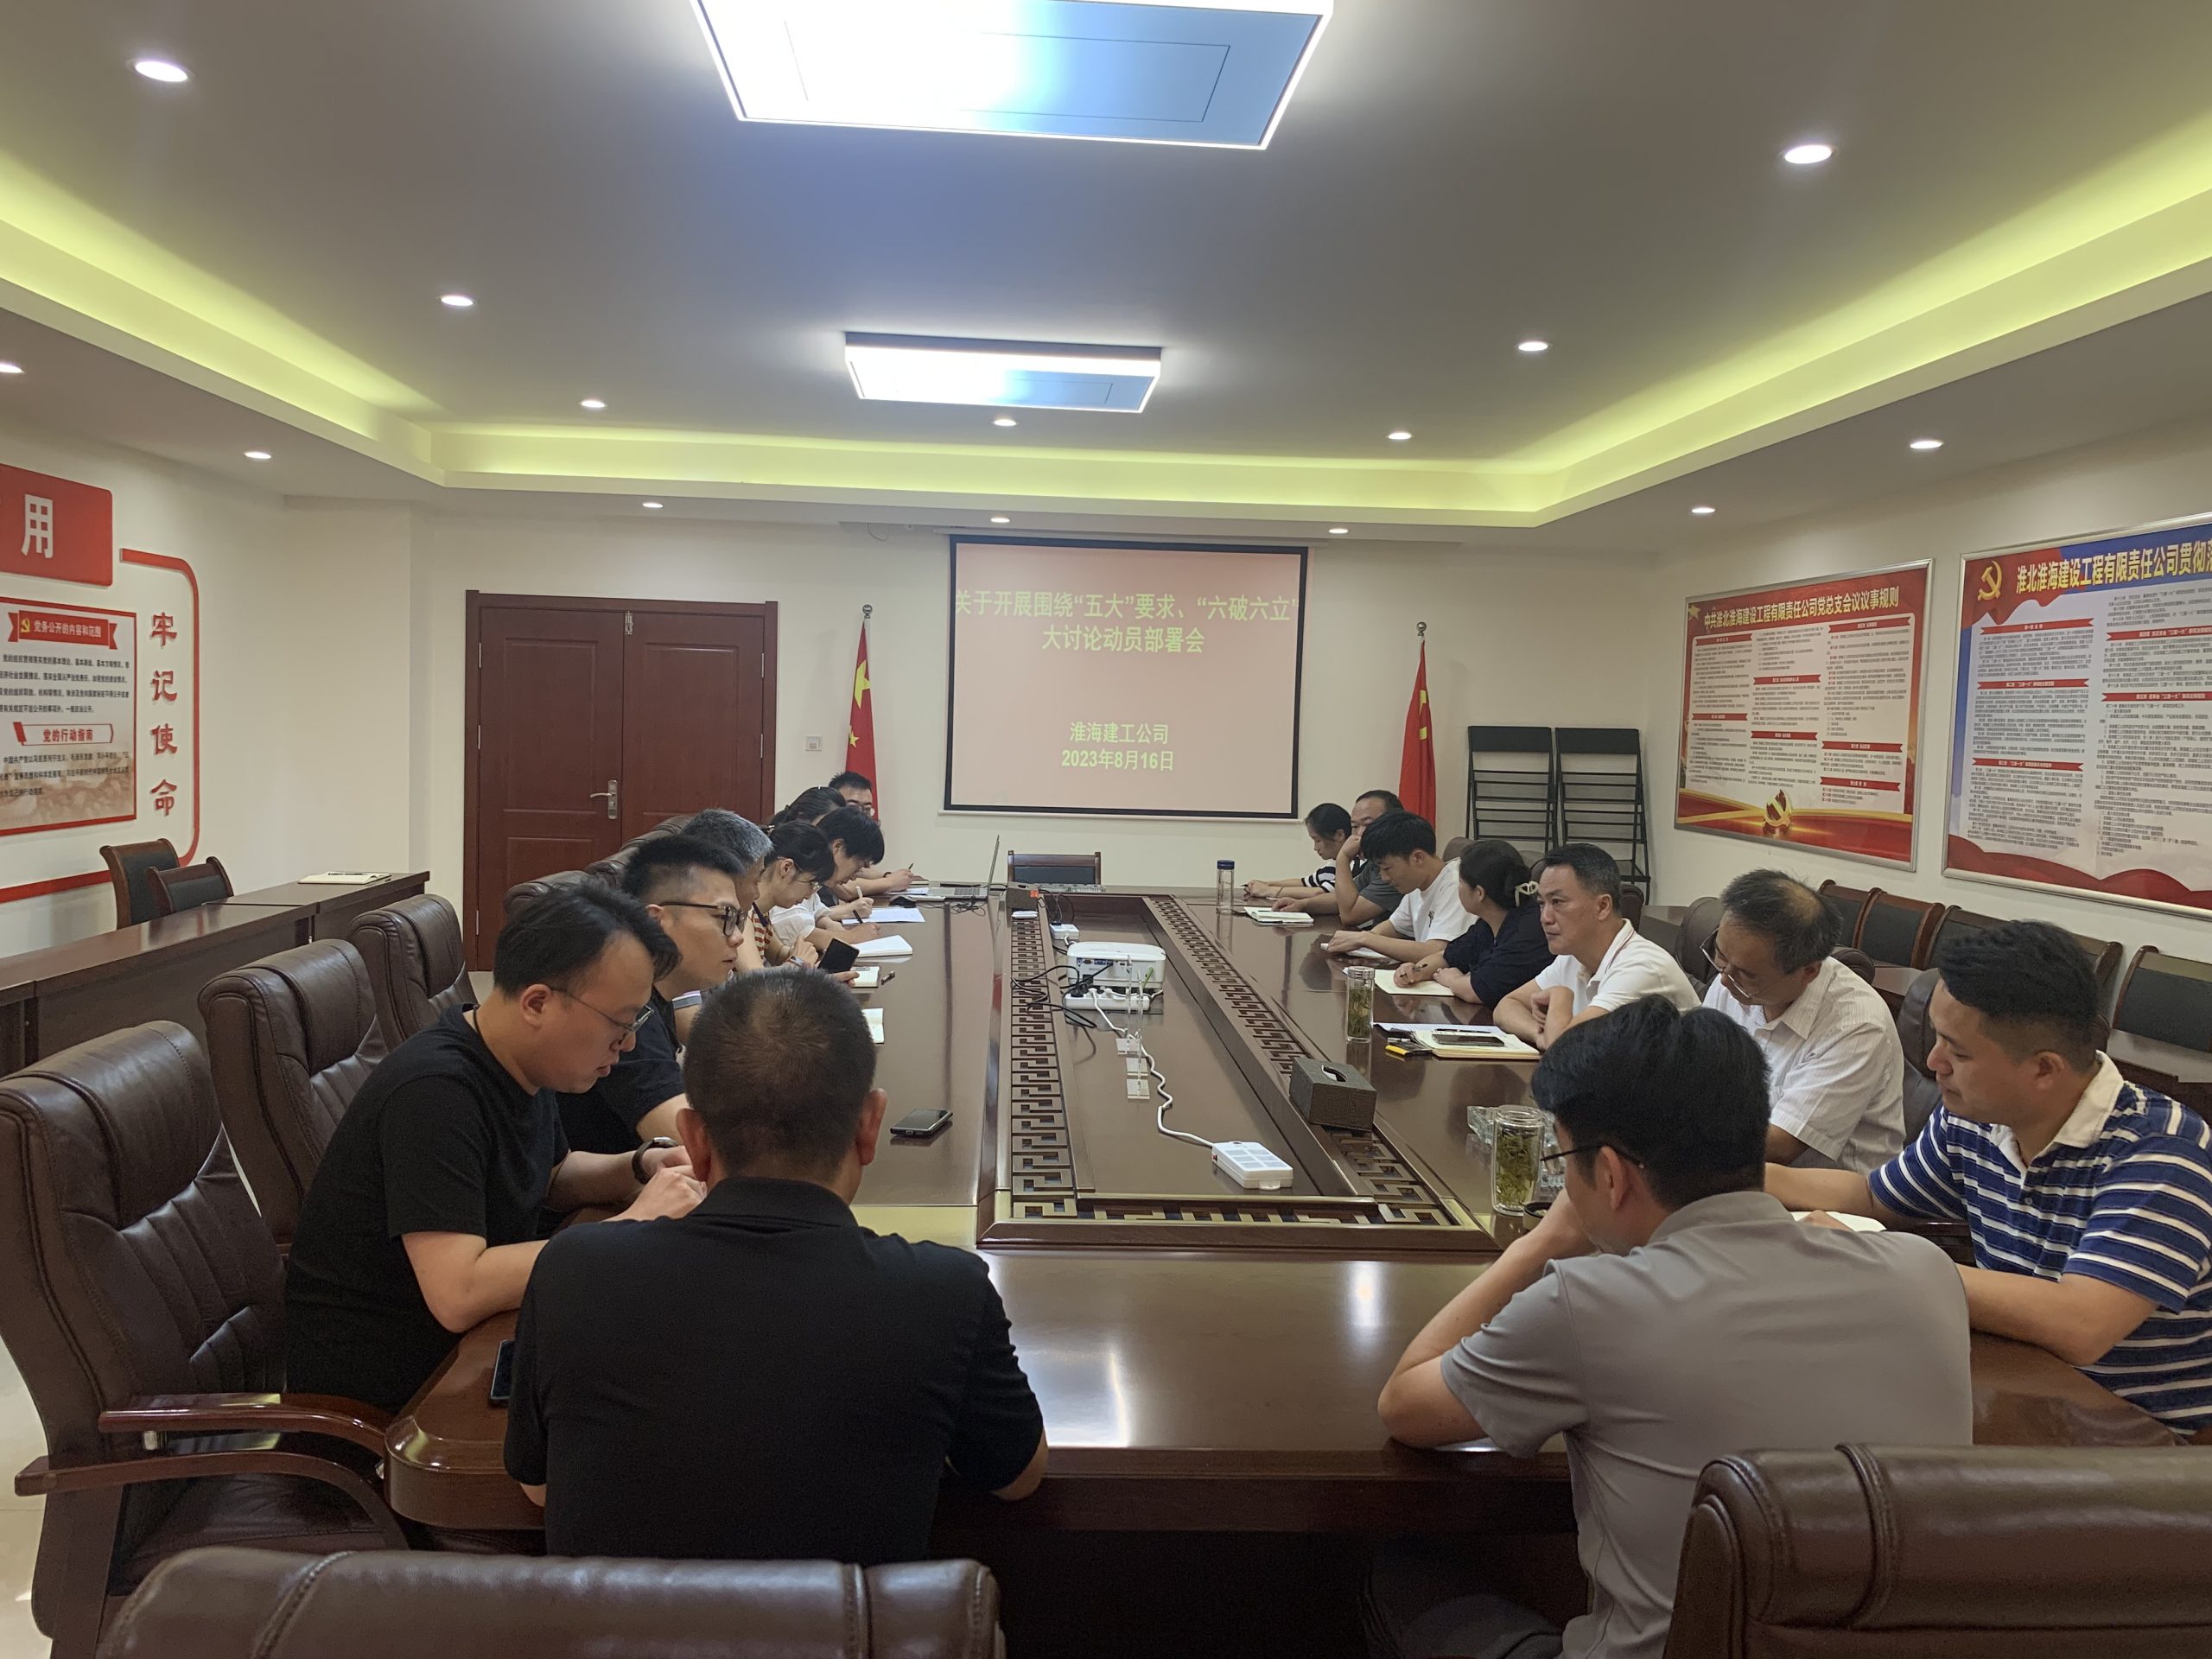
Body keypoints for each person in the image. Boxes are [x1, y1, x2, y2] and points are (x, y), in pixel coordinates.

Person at [1374, 997, 1972, 1659]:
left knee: (1394, 1571)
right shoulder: (1926, 1274)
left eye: (1564, 1160)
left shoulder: (1589, 1306)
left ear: (1610, 1176)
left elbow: (1405, 1406)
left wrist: (1537, 1245)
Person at [505, 967, 1049, 1563]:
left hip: (617, 1619)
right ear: (870, 1126)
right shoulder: (945, 1292)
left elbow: (539, 1487)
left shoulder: (572, 1270)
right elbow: (1016, 1478)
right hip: (851, 1618)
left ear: (694, 1139)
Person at [1767, 920, 2212, 1435]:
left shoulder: (2161, 1150)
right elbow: (1873, 1195)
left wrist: (1877, 1260)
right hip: (2022, 1382)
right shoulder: (1977, 1117)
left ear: (2044, 1069)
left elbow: (2082, 1323)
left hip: (2143, 1438)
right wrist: (1730, 1177)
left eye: (1957, 1052)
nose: (1933, 1062)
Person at [284, 884, 705, 1414]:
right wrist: (631, 1225)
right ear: (537, 1003)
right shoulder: (435, 1093)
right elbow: (458, 1292)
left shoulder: (518, 1059)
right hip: (396, 1401)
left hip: (470, 1352)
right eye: (621, 1023)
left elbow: (550, 1176)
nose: (628, 1044)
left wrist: (641, 1166)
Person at [556, 836, 750, 1155]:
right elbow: (697, 1147)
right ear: (656, 920)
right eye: (724, 917)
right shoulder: (622, 1008)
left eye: (738, 920)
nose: (738, 938)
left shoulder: (655, 995)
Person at [1701, 869, 1904, 1172]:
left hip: (1832, 1193)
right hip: (1736, 1170)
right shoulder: (1732, 978)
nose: (1725, 979)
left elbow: (1780, 1146)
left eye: (1747, 974)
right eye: (1720, 956)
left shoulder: (1857, 1026)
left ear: (1808, 971)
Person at [1495, 844, 1697, 1051]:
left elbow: (1563, 1046)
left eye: (1557, 902)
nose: (1545, 918)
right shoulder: (1574, 954)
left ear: (1602, 906)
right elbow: (1507, 1006)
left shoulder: (1642, 967)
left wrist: (1560, 997)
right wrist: (1538, 1034)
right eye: (1542, 904)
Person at [1389, 838, 1549, 1008]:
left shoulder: (1527, 931)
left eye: (1460, 883)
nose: (1457, 888)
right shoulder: (1487, 925)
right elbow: (1447, 956)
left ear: (1479, 893)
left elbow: (1475, 991)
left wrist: (1453, 979)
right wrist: (1416, 971)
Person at [1321, 811, 1469, 964]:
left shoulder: (1458, 886)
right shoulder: (1417, 885)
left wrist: (1365, 938)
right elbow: (1394, 927)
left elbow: (1438, 952)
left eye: (1387, 868)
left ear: (1418, 857)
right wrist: (1360, 939)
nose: (1384, 878)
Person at [771, 804, 886, 951]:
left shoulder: (813, 876)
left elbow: (816, 910)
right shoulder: (799, 867)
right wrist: (852, 937)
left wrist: (828, 923)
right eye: (858, 866)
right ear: (838, 847)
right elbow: (796, 931)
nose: (854, 877)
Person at [740, 819, 839, 970]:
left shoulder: (761, 913)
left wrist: (810, 963)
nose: (809, 896)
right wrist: (798, 962)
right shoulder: (744, 913)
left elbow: (779, 954)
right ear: (786, 868)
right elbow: (755, 979)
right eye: (811, 884)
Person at [828, 770, 917, 895]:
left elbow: (860, 871)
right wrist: (891, 882)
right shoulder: (822, 837)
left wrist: (887, 876)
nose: (861, 815)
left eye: (867, 809)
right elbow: (844, 888)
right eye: (852, 808)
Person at [1244, 803, 1352, 904]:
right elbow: (1304, 883)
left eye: (1318, 840)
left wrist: (1268, 890)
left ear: (1339, 835)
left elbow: (1320, 893)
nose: (1315, 848)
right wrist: (1267, 883)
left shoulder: (1353, 865)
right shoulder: (1333, 864)